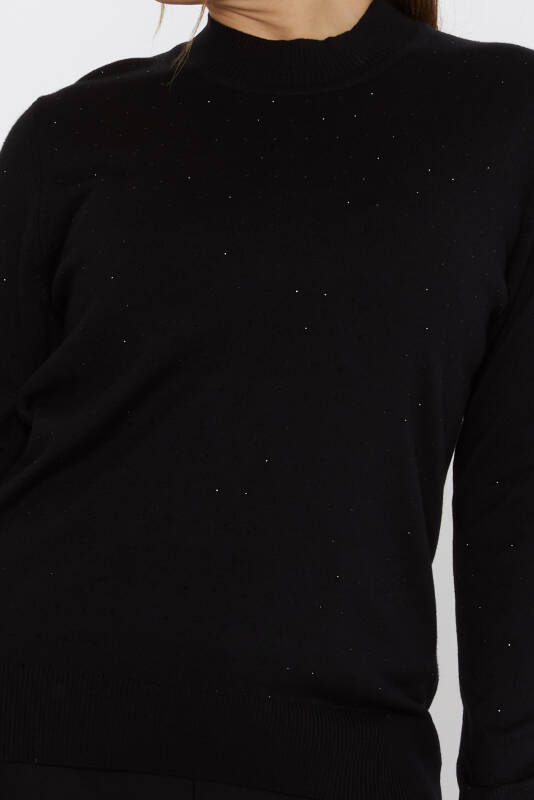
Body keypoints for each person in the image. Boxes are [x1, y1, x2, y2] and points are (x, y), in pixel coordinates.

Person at [1, 0, 534, 797]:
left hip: (335, 767)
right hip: (37, 746)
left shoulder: (499, 118)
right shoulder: (65, 133)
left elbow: (517, 525)